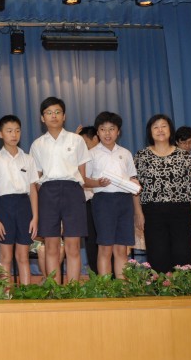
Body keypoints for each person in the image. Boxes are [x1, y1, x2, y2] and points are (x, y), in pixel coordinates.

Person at [29, 97, 90, 283]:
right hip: (48, 192)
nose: (53, 116)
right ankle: (54, 289)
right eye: (49, 113)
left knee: (73, 245)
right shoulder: (37, 144)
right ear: (42, 118)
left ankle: (73, 289)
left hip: (73, 191)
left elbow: (82, 175)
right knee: (51, 245)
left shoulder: (77, 140)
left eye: (57, 112)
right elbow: (35, 178)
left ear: (64, 116)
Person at [134, 114, 191, 273]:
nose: (160, 130)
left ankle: (182, 286)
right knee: (157, 255)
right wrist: (138, 212)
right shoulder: (141, 156)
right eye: (156, 127)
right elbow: (135, 187)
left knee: (183, 254)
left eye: (164, 126)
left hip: (181, 211)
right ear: (150, 131)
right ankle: (160, 287)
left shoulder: (183, 155)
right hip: (152, 212)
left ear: (170, 130)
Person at [83, 111, 141, 279]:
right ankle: (105, 287)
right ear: (97, 132)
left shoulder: (126, 153)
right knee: (105, 247)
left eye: (111, 129)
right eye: (103, 129)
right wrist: (98, 183)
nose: (107, 133)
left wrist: (135, 184)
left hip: (124, 202)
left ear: (118, 132)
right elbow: (84, 180)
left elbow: (132, 177)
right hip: (103, 202)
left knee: (121, 249)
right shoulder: (91, 154)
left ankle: (121, 286)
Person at [0, 115, 38, 285]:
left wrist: (35, 217)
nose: (14, 134)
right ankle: (5, 294)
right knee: (6, 257)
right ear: (0, 134)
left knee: (23, 256)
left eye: (17, 130)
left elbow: (33, 190)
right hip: (3, 207)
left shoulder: (28, 159)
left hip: (24, 207)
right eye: (9, 131)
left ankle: (25, 293)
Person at [77, 125, 100, 275]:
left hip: (101, 201)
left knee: (105, 240)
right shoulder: (82, 158)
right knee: (91, 240)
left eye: (84, 143)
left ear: (95, 138)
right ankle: (95, 274)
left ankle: (109, 275)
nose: (82, 147)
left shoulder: (101, 155)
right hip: (87, 204)